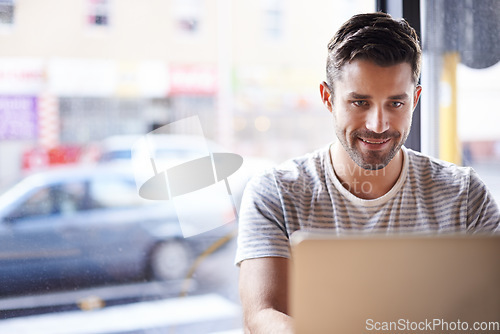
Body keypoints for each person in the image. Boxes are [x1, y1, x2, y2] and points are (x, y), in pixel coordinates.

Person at [235, 12, 500, 334]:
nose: (378, 125)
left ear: (415, 100)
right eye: (360, 102)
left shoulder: (464, 194)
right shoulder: (275, 192)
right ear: (328, 98)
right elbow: (263, 314)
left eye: (395, 104)